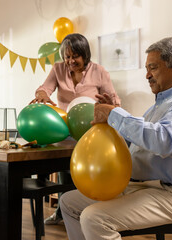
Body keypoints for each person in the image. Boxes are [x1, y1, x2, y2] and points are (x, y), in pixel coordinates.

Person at [59, 37, 172, 240]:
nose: (147, 75)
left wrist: (114, 115)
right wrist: (112, 120)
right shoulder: (159, 105)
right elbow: (140, 141)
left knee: (93, 218)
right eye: (146, 69)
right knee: (68, 202)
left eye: (153, 68)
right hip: (139, 187)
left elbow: (165, 141)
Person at [30, 33, 120, 225]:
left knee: (88, 173)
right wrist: (41, 95)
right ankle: (63, 213)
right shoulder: (58, 69)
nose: (70, 61)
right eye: (67, 56)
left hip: (91, 131)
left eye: (75, 56)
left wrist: (111, 103)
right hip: (65, 130)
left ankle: (90, 214)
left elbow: (114, 99)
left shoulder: (99, 71)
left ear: (85, 54)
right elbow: (44, 88)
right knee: (65, 172)